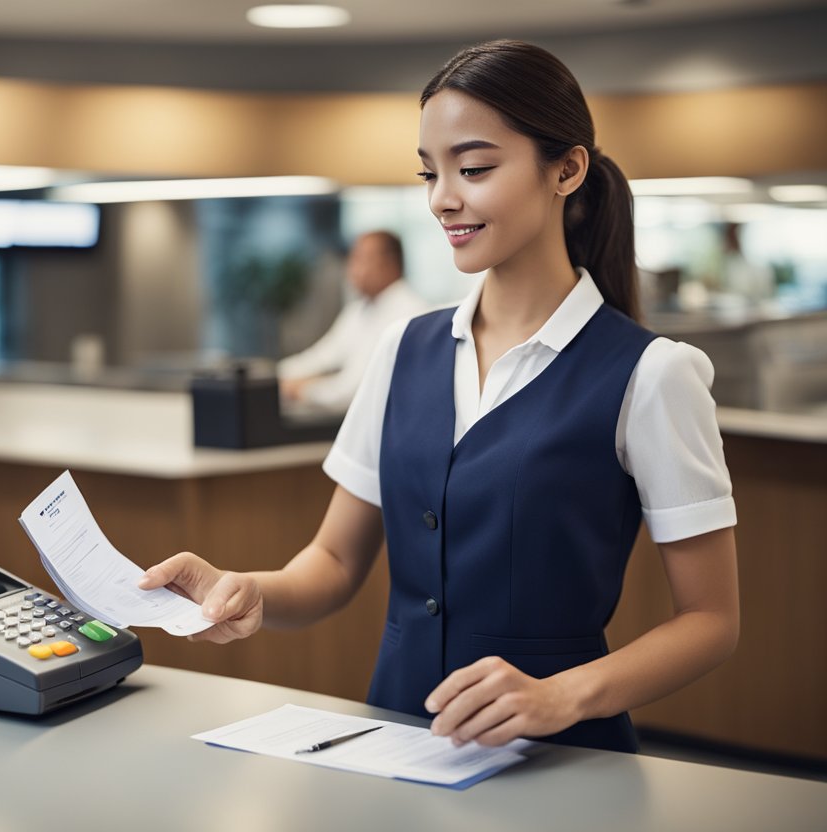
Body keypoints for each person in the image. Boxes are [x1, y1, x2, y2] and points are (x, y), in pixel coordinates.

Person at [139, 39, 739, 754]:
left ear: (567, 169)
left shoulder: (653, 373)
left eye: (475, 168)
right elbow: (330, 565)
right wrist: (250, 593)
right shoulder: (403, 350)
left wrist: (561, 695)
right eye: (431, 172)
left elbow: (711, 621)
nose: (442, 198)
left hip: (564, 755)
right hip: (395, 735)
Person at [277, 230, 429, 412]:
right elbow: (322, 356)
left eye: (361, 258)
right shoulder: (360, 310)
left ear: (390, 264)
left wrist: (302, 389)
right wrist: (274, 377)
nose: (351, 268)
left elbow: (354, 390)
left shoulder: (409, 313)